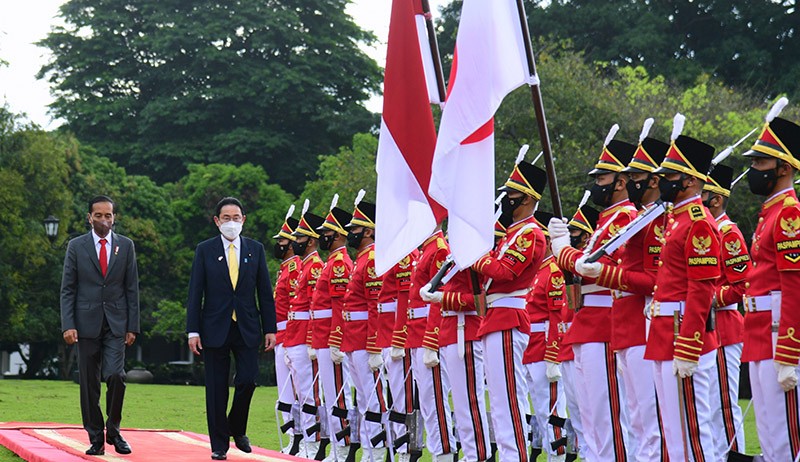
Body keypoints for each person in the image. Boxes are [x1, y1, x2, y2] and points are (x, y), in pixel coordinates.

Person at [574, 123, 671, 461]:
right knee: (635, 418)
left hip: (645, 322)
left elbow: (652, 279)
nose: (630, 183)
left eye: (635, 176)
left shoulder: (647, 218)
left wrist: (601, 272)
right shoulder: (638, 217)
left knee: (649, 421)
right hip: (625, 322)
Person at [549, 126, 636, 461]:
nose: (597, 184)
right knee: (591, 418)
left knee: (608, 416)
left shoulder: (626, 217)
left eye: (603, 178)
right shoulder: (606, 220)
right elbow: (578, 272)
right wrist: (563, 252)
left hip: (604, 322)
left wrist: (562, 249)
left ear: (621, 181)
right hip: (588, 322)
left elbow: (593, 267)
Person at [643, 116, 720, 461]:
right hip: (665, 330)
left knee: (693, 433)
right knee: (674, 434)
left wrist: (689, 347)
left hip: (682, 334)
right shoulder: (678, 220)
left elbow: (701, 290)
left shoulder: (698, 223)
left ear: (689, 180)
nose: (663, 182)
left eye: (670, 176)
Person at [469, 158, 548, 462]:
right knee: (500, 400)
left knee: (509, 398)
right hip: (495, 317)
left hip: (508, 318)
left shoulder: (530, 234)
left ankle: (515, 456)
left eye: (512, 194)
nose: (506, 199)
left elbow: (504, 272)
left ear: (527, 198)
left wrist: (474, 255)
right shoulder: (512, 234)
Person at [186, 197, 277, 461]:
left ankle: (236, 427)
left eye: (236, 218)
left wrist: (270, 328)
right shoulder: (205, 250)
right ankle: (219, 445)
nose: (231, 223)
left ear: (243, 220)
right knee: (216, 388)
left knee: (248, 380)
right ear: (217, 221)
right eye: (226, 218)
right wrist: (193, 330)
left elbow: (264, 292)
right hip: (214, 327)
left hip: (247, 325)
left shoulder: (255, 249)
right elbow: (195, 293)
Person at [741, 101, 800, 461]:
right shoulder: (771, 212)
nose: (753, 170)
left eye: (760, 163)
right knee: (768, 435)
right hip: (761, 329)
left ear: (783, 168)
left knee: (784, 439)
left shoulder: (790, 213)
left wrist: (790, 351)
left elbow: (794, 286)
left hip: (780, 334)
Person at [60, 195, 140, 456]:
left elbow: (132, 288)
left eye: (108, 215)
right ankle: (95, 437)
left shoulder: (126, 246)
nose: (104, 220)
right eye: (98, 215)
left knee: (116, 375)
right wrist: (68, 324)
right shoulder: (76, 246)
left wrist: (133, 326)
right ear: (89, 217)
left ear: (114, 218)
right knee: (89, 384)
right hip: (84, 325)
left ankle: (113, 431)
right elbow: (68, 289)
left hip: (117, 324)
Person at [701, 164, 750, 458]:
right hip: (706, 326)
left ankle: (733, 456)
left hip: (724, 325)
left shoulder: (727, 234)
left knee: (723, 406)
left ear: (716, 200)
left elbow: (741, 285)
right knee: (706, 406)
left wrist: (706, 298)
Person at [338, 190, 388, 462]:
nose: (351, 233)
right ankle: (369, 449)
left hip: (364, 340)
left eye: (355, 229)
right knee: (363, 399)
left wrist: (374, 346)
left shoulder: (371, 260)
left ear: (368, 231)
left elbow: (374, 306)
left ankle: (377, 451)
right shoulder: (361, 259)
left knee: (372, 398)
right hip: (352, 337)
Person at [311, 195, 355, 462]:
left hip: (331, 336)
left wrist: (336, 339)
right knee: (330, 394)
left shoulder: (339, 264)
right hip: (321, 335)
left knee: (339, 395)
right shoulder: (331, 262)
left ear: (338, 235)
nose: (323, 237)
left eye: (327, 233)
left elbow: (340, 307)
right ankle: (338, 447)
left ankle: (344, 446)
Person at [284, 200, 326, 458]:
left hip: (304, 336)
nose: (295, 241)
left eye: (299, 237)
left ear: (311, 240)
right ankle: (305, 441)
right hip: (294, 335)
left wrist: (310, 339)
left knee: (310, 394)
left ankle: (313, 442)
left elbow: (313, 307)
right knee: (300, 393)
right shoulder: (306, 266)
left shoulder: (315, 266)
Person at [271, 205, 302, 454]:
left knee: (296, 391)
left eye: (282, 241)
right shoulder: (285, 268)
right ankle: (293, 437)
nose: (279, 244)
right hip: (281, 335)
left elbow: (296, 306)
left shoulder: (294, 269)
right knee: (285, 392)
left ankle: (300, 437)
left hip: (291, 334)